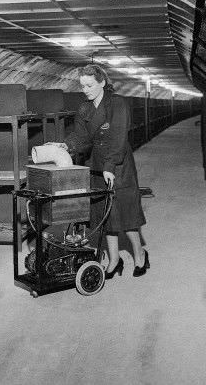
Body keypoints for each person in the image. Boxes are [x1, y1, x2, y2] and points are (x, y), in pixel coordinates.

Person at [47, 64, 148, 277]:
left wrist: (110, 166)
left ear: (102, 82)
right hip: (97, 163)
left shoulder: (117, 103)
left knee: (126, 212)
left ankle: (140, 256)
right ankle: (114, 260)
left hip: (119, 163)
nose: (85, 89)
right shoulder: (85, 108)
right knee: (105, 214)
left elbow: (119, 138)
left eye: (89, 85)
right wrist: (66, 145)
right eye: (82, 85)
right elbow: (81, 138)